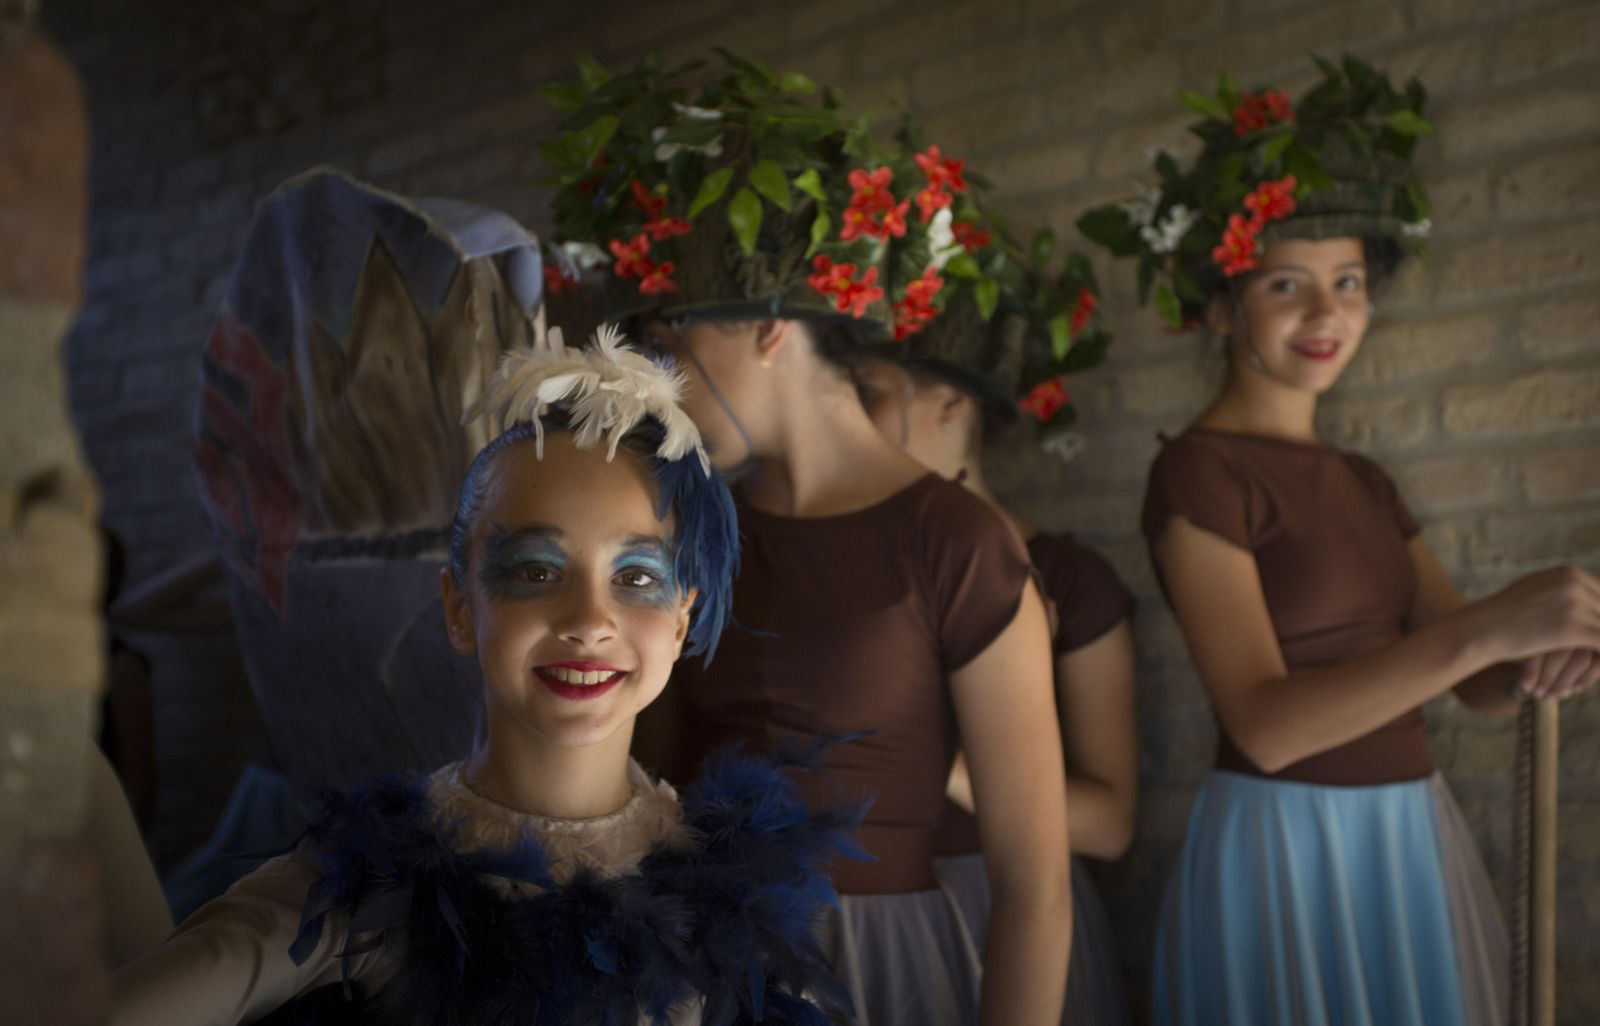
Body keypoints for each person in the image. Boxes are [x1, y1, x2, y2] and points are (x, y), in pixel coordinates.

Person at [109, 325, 862, 1025]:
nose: (589, 620)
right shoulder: (359, 887)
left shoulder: (736, 896)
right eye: (536, 570)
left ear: (681, 619)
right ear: (460, 607)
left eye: (636, 577)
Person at [539, 54, 1072, 1025]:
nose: (655, 383)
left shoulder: (956, 540)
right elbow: (637, 786)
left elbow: (1036, 887)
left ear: (771, 329)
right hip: (694, 969)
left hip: (884, 971)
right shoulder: (684, 526)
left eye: (671, 349)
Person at [1079, 55, 1600, 1026]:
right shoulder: (1197, 471)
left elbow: (1483, 687)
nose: (1328, 315)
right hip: (1288, 844)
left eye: (1348, 282)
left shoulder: (1363, 480)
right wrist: (1492, 628)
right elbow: (1267, 728)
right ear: (1223, 306)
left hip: (1404, 833)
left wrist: (1544, 644)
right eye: (1288, 284)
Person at [853, 227, 1135, 1026]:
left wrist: (924, 746)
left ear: (952, 402)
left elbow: (1111, 823)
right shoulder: (845, 583)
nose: (845, 420)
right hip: (852, 922)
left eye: (869, 392)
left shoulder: (1074, 582)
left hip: (1002, 903)